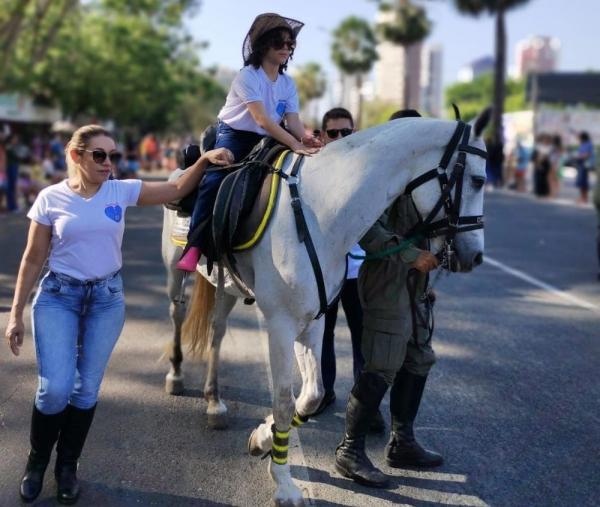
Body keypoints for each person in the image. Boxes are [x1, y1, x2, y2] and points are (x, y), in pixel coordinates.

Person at [4, 124, 232, 504]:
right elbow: (31, 259)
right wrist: (14, 315)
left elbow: (176, 190)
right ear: (76, 156)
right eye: (99, 155)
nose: (109, 162)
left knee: (86, 389)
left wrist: (206, 160)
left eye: (113, 156)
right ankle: (36, 462)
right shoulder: (50, 199)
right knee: (54, 389)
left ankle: (67, 467)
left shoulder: (120, 190)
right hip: (59, 296)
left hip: (106, 299)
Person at [335, 110, 443, 489]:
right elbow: (366, 227)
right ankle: (350, 451)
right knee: (383, 363)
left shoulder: (425, 176)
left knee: (419, 357)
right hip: (385, 278)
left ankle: (403, 442)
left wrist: (430, 272)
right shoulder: (379, 174)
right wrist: (413, 256)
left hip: (416, 283)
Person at [176, 12, 322, 271]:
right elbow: (262, 119)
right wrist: (294, 143)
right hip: (235, 135)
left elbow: (294, 121)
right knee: (214, 178)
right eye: (280, 42)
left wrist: (305, 138)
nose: (286, 48)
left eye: (290, 43)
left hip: (271, 137)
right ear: (264, 44)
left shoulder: (288, 83)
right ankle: (194, 244)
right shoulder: (247, 76)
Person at [306, 107, 385, 431]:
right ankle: (322, 393)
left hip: (360, 272)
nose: (340, 138)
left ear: (356, 132)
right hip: (325, 272)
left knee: (364, 340)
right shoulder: (311, 171)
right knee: (322, 335)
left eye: (346, 132)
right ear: (323, 136)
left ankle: (364, 405)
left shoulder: (370, 171)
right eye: (333, 133)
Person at [575, 131, 595, 204]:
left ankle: (585, 198)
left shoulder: (588, 144)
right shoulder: (582, 144)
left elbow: (588, 154)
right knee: (580, 182)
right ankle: (582, 197)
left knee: (583, 182)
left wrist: (580, 156)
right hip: (581, 164)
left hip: (585, 165)